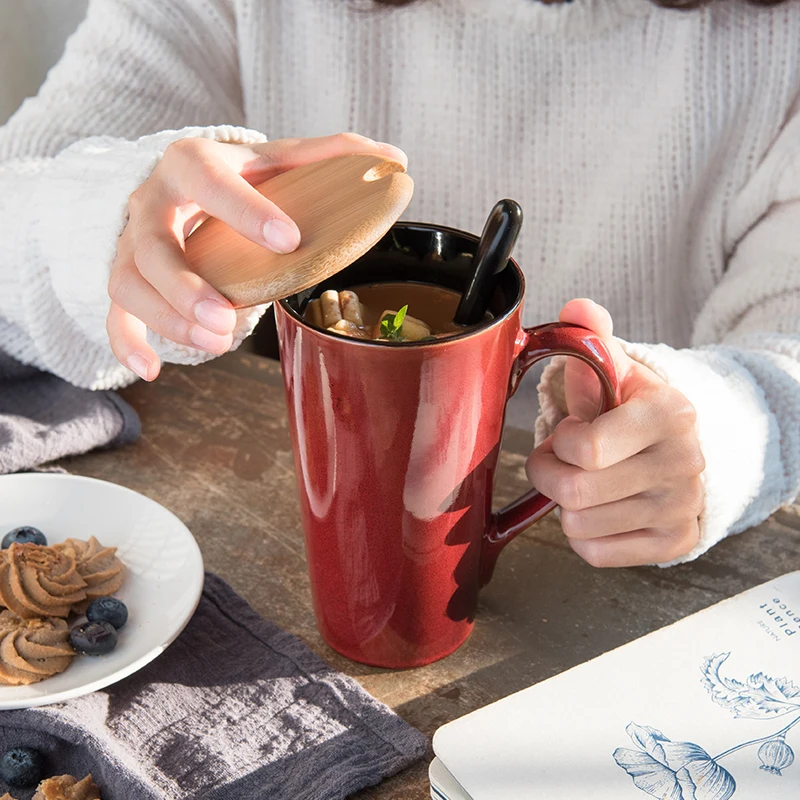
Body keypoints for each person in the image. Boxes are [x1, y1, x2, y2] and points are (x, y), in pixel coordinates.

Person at [0, 0, 797, 570]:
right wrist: (113, 221)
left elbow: (787, 350)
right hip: (288, 532)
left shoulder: (777, 48)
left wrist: (725, 429)